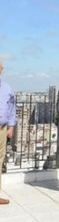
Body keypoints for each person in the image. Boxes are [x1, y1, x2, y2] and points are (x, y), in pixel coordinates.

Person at [0, 59, 16, 205]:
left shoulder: (6, 87)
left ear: (1, 68)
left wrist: (11, 126)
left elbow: (12, 107)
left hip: (2, 129)